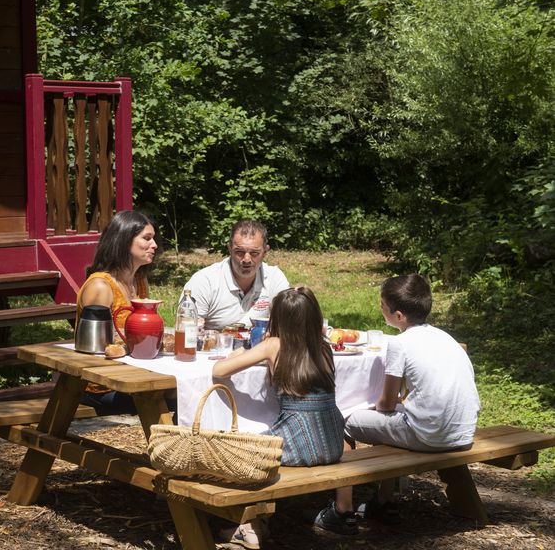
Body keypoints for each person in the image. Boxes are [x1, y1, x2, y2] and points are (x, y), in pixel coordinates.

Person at [314, 274, 480, 536]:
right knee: (387, 421)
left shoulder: (399, 344)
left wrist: (370, 408)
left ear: (399, 315)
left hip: (429, 436)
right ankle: (384, 501)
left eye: (382, 306)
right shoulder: (445, 338)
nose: (380, 309)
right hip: (463, 433)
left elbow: (387, 403)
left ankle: (342, 509)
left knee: (345, 419)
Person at [213, 286, 345, 549]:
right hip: (332, 441)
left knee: (234, 451)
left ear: (278, 319)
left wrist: (239, 354)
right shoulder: (325, 348)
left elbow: (219, 371)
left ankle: (249, 525)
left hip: (297, 440)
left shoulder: (273, 345)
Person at [75, 210, 159, 414]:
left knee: (186, 393)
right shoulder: (100, 287)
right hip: (99, 386)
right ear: (123, 241)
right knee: (170, 399)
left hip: (130, 376)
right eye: (146, 238)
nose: (154, 245)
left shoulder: (139, 282)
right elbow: (96, 349)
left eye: (153, 238)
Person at [182, 220, 289, 330]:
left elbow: (290, 323)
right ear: (229, 249)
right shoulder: (204, 281)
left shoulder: (274, 278)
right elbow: (185, 330)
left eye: (254, 253)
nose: (247, 259)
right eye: (240, 252)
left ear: (265, 252)